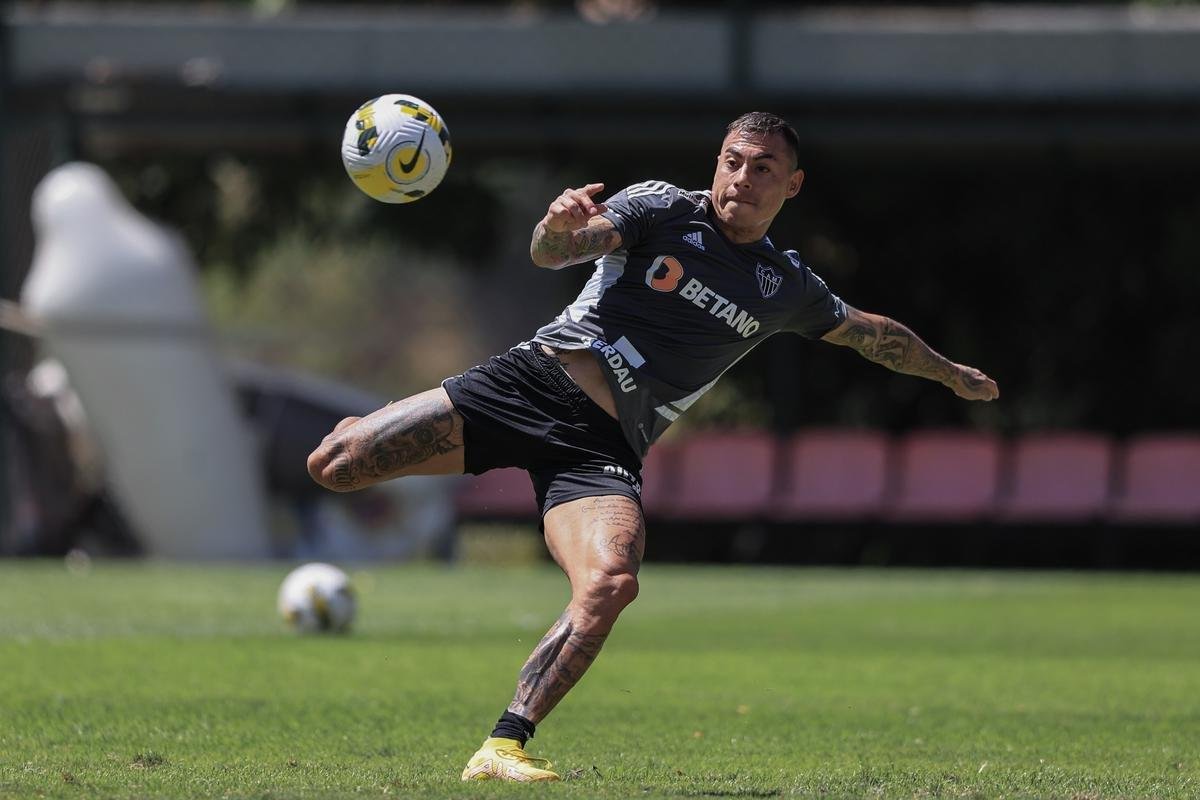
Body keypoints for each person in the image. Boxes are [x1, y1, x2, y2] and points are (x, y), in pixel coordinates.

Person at [306, 111, 999, 782]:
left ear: (792, 185)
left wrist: (950, 374)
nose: (743, 178)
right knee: (334, 466)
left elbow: (874, 334)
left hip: (601, 446)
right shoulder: (663, 208)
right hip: (529, 384)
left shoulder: (785, 286)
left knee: (611, 581)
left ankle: (504, 744)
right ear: (716, 164)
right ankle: (390, 422)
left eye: (764, 168)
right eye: (733, 162)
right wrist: (555, 228)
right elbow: (558, 250)